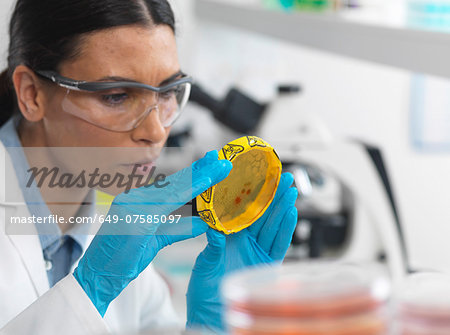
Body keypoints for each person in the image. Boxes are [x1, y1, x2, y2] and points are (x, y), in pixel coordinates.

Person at [0, 0, 298, 334]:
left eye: (168, 91)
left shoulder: (121, 232)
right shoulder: (110, 253)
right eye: (116, 95)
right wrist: (90, 288)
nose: (156, 131)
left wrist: (211, 324)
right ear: (31, 94)